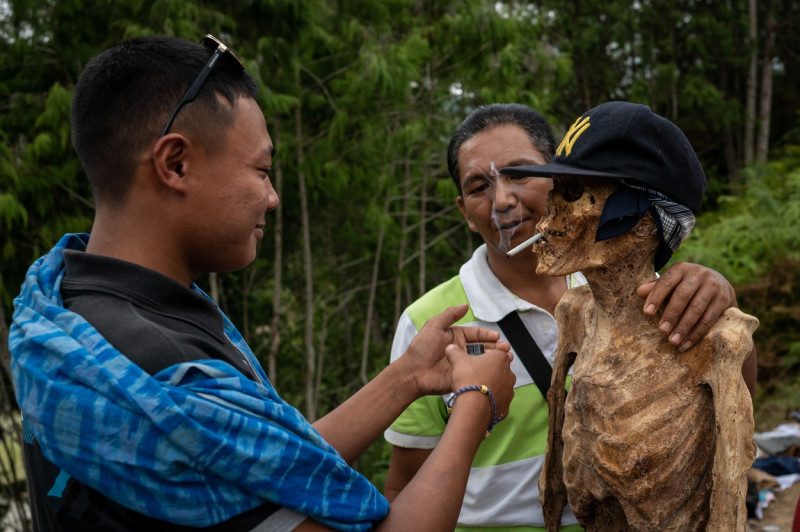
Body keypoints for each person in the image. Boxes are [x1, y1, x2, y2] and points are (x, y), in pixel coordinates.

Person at [8, 35, 517, 531]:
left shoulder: (75, 303)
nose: (272, 198)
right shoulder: (165, 369)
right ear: (175, 164)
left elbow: (259, 466)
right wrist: (474, 403)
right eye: (262, 170)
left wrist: (408, 376)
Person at [382, 103, 757, 531]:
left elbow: (734, 412)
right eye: (478, 186)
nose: (503, 200)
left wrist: (719, 300)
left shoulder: (647, 295)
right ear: (464, 211)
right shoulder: (429, 323)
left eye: (520, 174)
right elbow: (403, 483)